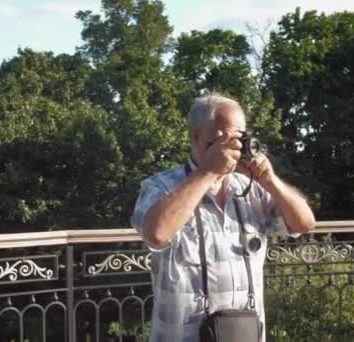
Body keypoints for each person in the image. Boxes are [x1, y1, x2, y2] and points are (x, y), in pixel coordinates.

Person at [131, 93, 316, 342]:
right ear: (197, 136)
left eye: (241, 137)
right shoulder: (161, 187)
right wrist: (208, 171)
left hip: (244, 334)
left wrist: (270, 180)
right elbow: (156, 233)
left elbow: (304, 223)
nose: (236, 146)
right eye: (226, 137)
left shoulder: (251, 189)